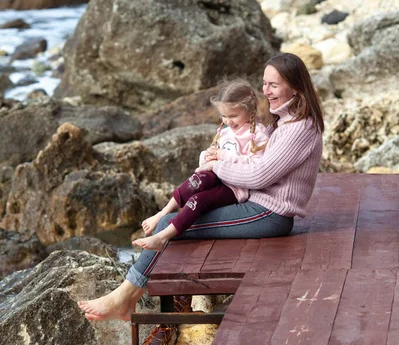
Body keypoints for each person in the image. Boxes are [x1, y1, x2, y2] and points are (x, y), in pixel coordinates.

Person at [78, 53, 324, 322]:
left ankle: (123, 297)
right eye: (264, 84)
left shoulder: (300, 128)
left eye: (273, 85)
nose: (266, 91)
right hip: (256, 204)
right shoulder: (287, 121)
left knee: (169, 226)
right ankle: (128, 298)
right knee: (185, 209)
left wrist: (217, 165)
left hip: (269, 213)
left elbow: (260, 175)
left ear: (296, 86)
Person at [132, 79, 270, 252]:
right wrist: (207, 156)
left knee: (198, 200)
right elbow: (206, 159)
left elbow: (256, 165)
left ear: (249, 110)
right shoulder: (226, 132)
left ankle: (163, 236)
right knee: (198, 179)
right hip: (215, 175)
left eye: (233, 116)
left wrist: (223, 156)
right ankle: (163, 212)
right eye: (224, 116)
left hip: (234, 187)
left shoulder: (257, 134)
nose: (228, 121)